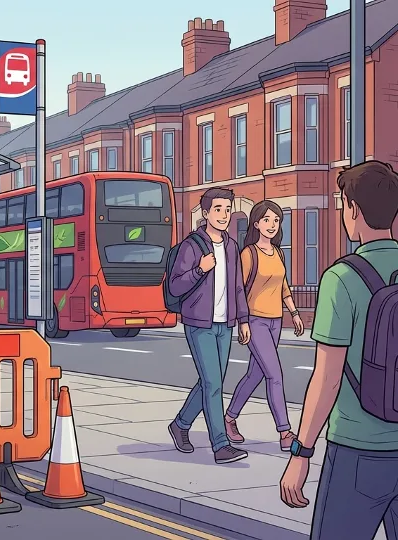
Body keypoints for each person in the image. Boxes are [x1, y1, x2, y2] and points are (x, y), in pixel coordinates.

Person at [280, 161, 398, 538]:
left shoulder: (342, 278)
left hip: (357, 450)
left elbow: (327, 379)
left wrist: (301, 454)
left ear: (353, 210)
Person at [167, 187, 251, 464]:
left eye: (228, 209)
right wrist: (200, 269)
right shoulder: (193, 246)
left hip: (224, 324)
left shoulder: (231, 246)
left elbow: (238, 286)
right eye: (218, 209)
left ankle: (180, 425)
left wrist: (243, 319)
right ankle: (220, 445)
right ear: (205, 213)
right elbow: (175, 285)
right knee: (213, 382)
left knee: (210, 382)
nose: (224, 215)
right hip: (199, 323)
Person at [225, 200, 305, 451]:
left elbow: (283, 287)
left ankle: (228, 418)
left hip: (275, 322)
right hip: (256, 321)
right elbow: (238, 289)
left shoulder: (279, 253)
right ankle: (285, 432)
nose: (272, 225)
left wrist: (294, 313)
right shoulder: (248, 254)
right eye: (267, 220)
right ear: (256, 223)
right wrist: (243, 322)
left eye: (276, 220)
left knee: (255, 374)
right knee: (274, 374)